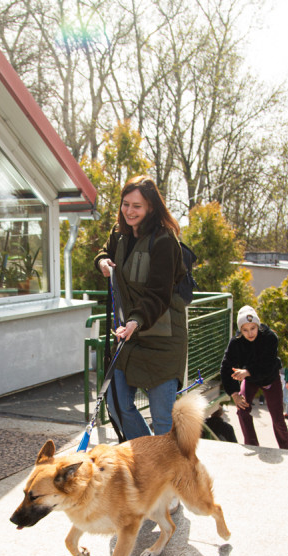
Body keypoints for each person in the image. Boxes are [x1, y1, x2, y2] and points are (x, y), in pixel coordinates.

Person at [94, 174, 187, 440]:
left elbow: (158, 294)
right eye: (126, 204)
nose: (130, 211)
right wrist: (102, 262)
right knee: (118, 405)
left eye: (137, 206)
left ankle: (171, 476)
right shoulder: (119, 233)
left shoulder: (165, 241)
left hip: (162, 338)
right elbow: (104, 251)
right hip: (128, 336)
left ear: (151, 207)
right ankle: (148, 459)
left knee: (163, 421)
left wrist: (135, 321)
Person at [220, 305, 288, 450]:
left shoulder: (270, 337)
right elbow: (226, 367)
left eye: (253, 328)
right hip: (251, 380)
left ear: (258, 326)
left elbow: (268, 364)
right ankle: (252, 445)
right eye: (245, 330)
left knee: (278, 419)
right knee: (241, 409)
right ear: (240, 330)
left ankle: (286, 449)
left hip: (270, 378)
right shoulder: (236, 342)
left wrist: (247, 372)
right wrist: (234, 394)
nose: (250, 333)